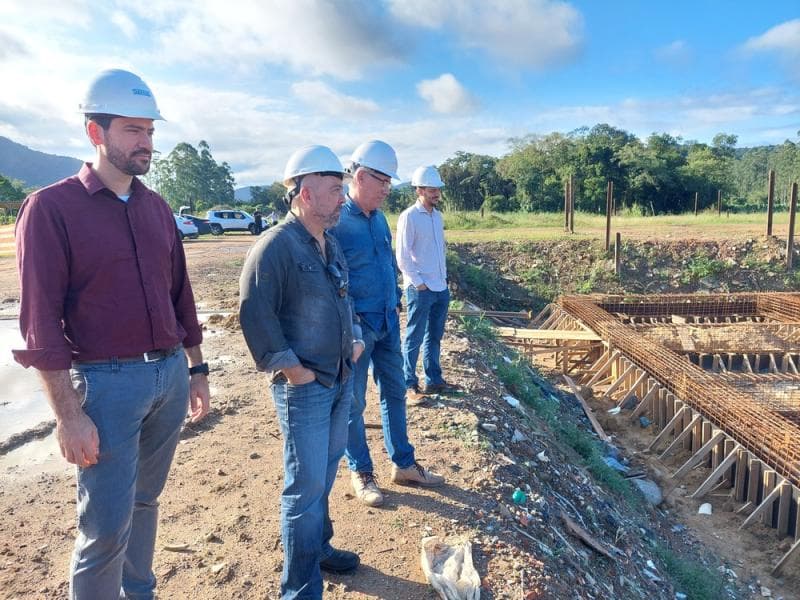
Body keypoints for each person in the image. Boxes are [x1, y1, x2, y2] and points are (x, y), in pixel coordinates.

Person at [13, 68, 211, 600]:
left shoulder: (157, 207)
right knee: (103, 527)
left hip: (169, 375)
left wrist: (196, 368)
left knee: (145, 502)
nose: (147, 143)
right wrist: (68, 416)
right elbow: (40, 324)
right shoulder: (51, 209)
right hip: (106, 385)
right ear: (95, 133)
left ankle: (138, 593)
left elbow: (181, 296)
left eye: (149, 131)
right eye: (132, 130)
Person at [239, 145, 364, 598]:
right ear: (306, 194)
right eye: (335, 190)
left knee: (324, 475)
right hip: (306, 387)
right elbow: (255, 314)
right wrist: (293, 371)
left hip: (338, 378)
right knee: (304, 487)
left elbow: (342, 297)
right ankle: (299, 589)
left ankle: (319, 549)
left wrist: (353, 338)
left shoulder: (329, 242)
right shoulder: (275, 246)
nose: (342, 199)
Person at [330, 140, 444, 509]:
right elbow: (334, 281)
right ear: (360, 176)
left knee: (395, 394)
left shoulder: (378, 218)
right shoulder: (337, 221)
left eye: (389, 183)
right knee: (352, 403)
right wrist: (351, 328)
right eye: (381, 181)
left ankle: (404, 463)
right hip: (358, 328)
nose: (386, 189)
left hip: (387, 321)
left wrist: (394, 302)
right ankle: (361, 472)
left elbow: (385, 265)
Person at [396, 165, 460, 401]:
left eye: (438, 190)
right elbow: (402, 255)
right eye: (432, 190)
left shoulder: (437, 217)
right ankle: (409, 384)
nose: (436, 194)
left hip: (440, 287)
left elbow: (438, 251)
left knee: (434, 336)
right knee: (414, 336)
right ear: (419, 190)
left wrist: (442, 280)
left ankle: (433, 379)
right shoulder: (409, 217)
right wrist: (418, 282)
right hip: (420, 289)